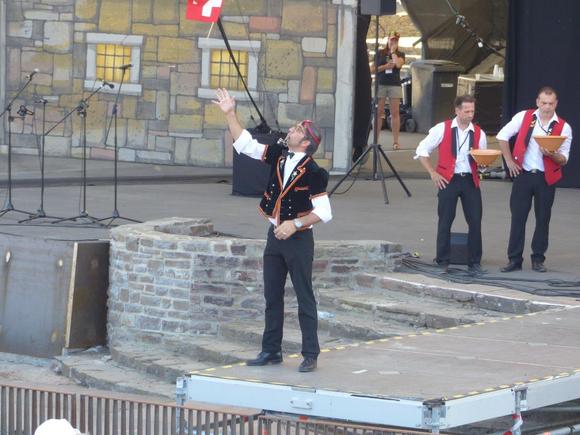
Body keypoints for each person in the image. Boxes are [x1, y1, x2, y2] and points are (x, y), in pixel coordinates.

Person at [213, 88, 332, 373]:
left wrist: (295, 224)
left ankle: (310, 353)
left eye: (297, 129)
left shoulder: (315, 172)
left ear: (306, 142)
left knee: (304, 296)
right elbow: (246, 145)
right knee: (272, 296)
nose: (290, 130)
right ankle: (271, 350)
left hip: (298, 240)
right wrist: (230, 114)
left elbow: (324, 212)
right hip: (274, 237)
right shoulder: (279, 154)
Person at [497, 86, 573, 273]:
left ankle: (538, 259)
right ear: (538, 102)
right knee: (518, 218)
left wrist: (552, 154)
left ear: (556, 104)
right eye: (544, 103)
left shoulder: (564, 127)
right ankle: (514, 259)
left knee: (543, 219)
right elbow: (502, 136)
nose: (547, 107)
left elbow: (564, 159)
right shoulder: (524, 117)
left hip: (545, 178)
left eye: (551, 103)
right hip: (523, 175)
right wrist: (509, 161)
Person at [415, 95, 488, 274]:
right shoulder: (442, 128)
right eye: (466, 111)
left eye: (472, 111)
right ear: (457, 110)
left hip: (470, 180)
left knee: (475, 221)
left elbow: (482, 159)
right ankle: (442, 260)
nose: (470, 114)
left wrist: (483, 166)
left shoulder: (479, 133)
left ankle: (474, 262)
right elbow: (421, 150)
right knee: (445, 220)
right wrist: (432, 173)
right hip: (448, 179)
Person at [371, 30, 405, 150]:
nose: (393, 42)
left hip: (394, 85)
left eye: (395, 40)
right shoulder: (380, 53)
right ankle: (375, 141)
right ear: (388, 40)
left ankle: (396, 141)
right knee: (379, 112)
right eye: (392, 40)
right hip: (381, 84)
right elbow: (372, 69)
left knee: (395, 113)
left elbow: (399, 65)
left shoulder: (400, 54)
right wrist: (385, 67)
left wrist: (393, 52)